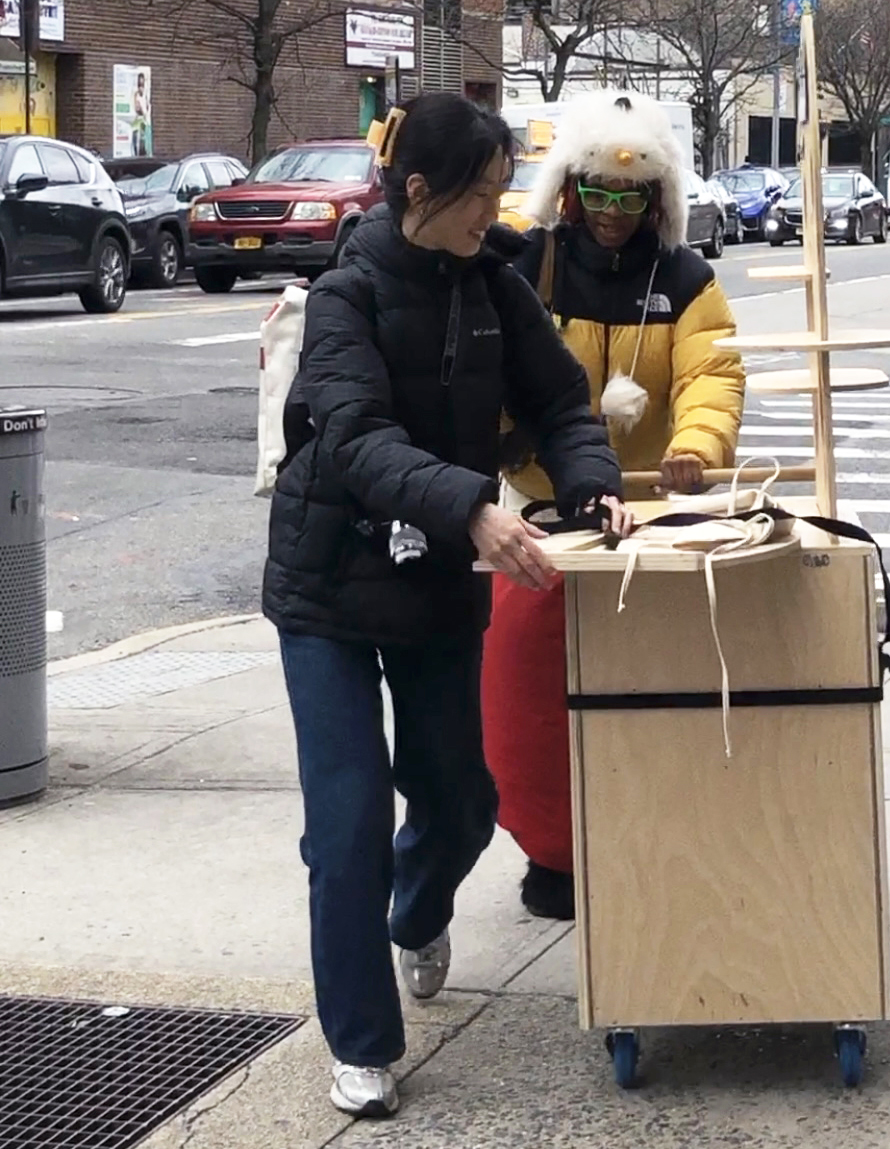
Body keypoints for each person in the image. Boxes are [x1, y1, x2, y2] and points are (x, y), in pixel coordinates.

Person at [262, 93, 629, 1119]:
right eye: (480, 195)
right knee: (347, 825)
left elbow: (559, 401)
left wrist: (593, 485)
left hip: (431, 584)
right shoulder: (346, 295)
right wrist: (475, 510)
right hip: (330, 582)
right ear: (418, 192)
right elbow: (357, 437)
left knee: (464, 798)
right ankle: (365, 1046)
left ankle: (416, 914)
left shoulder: (492, 283)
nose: (493, 213)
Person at [481, 91, 746, 922]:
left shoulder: (686, 278)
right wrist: (514, 440)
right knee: (527, 692)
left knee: (660, 680)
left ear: (655, 200)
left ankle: (662, 831)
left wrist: (695, 450)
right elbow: (489, 369)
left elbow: (713, 371)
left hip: (655, 512)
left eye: (630, 199)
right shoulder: (524, 266)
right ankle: (552, 850)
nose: (612, 214)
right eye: (597, 194)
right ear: (570, 193)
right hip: (542, 513)